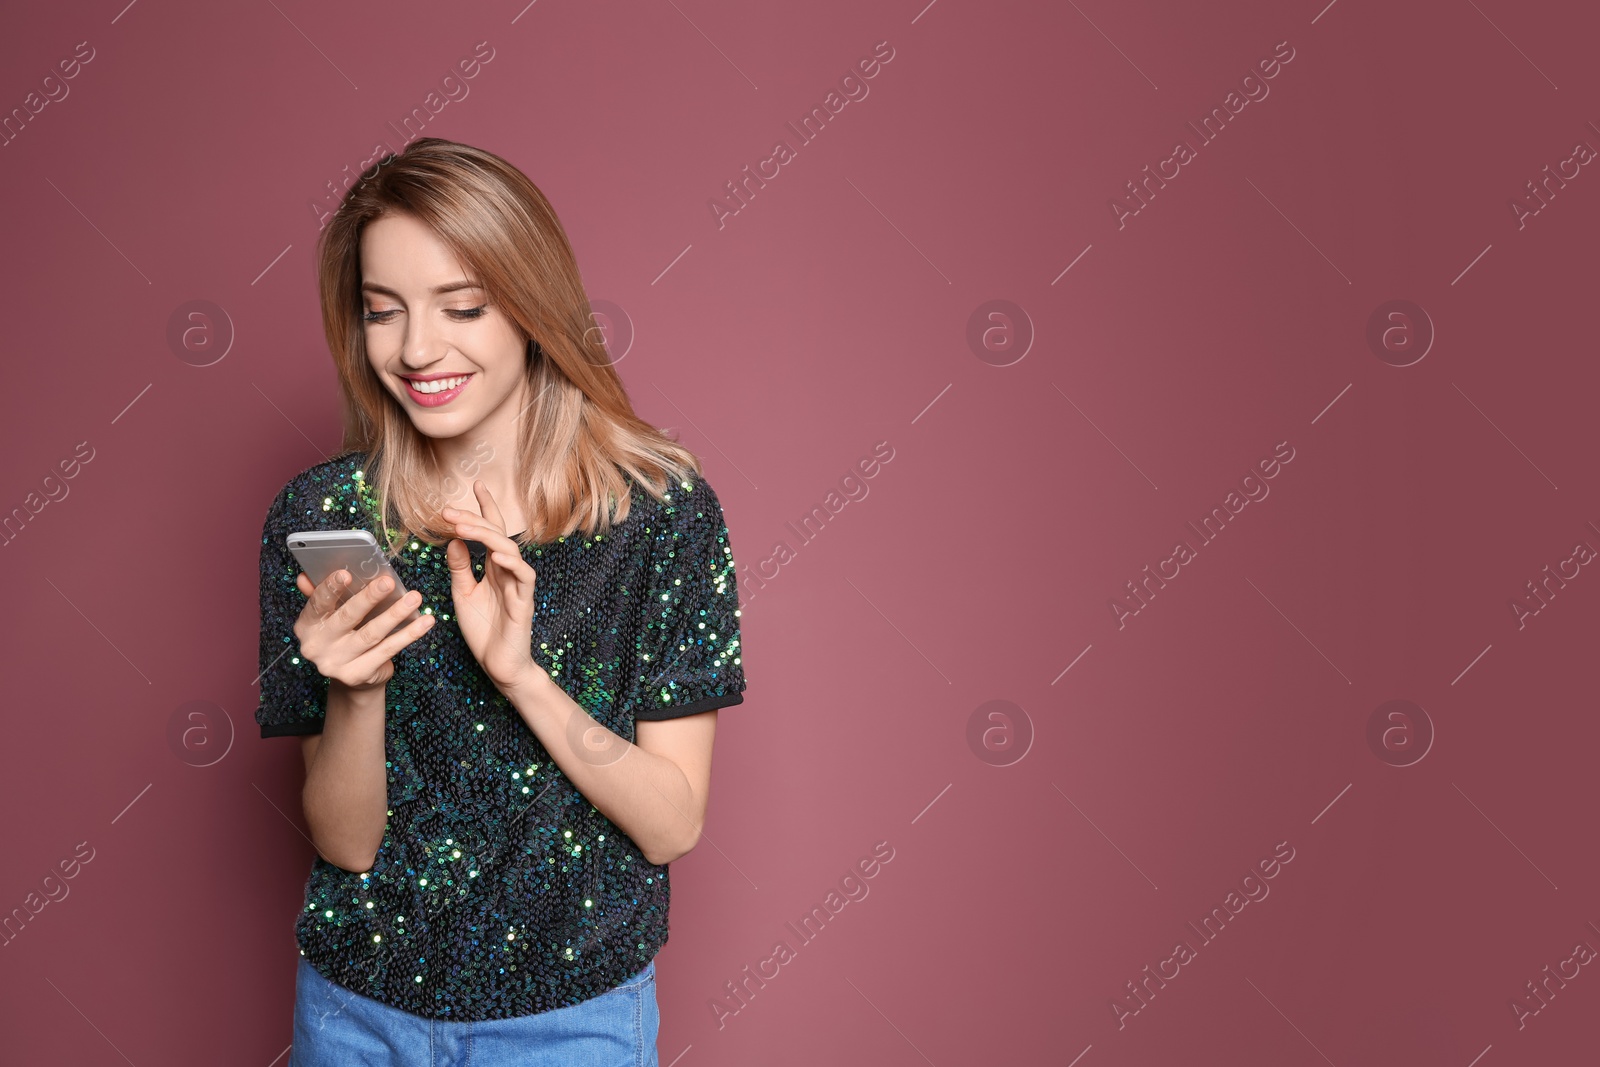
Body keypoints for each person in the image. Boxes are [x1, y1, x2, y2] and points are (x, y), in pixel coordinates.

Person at [253, 137, 747, 1066]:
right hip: (357, 1012)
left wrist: (520, 674)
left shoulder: (657, 513)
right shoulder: (321, 515)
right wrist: (358, 690)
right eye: (382, 312)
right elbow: (345, 844)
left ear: (530, 307)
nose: (416, 349)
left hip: (573, 1019)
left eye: (463, 307)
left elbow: (671, 821)